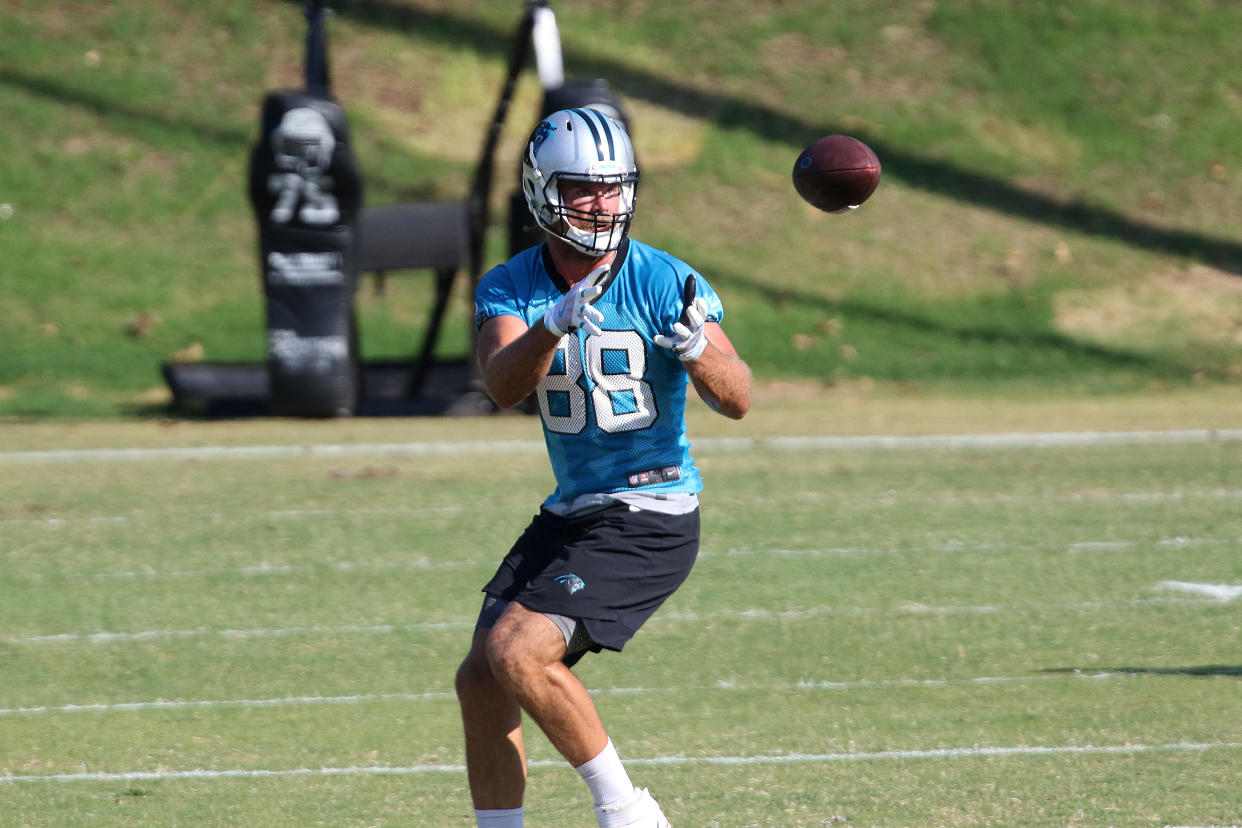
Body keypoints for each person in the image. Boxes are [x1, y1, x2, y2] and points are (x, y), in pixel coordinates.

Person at [455, 107, 751, 828]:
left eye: (613, 187)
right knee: (480, 678)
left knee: (519, 651)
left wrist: (696, 352)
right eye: (583, 188)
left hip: (651, 511)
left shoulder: (664, 279)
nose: (601, 203)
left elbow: (738, 396)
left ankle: (629, 813)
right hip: (576, 508)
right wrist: (550, 325)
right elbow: (501, 386)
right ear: (542, 191)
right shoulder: (511, 284)